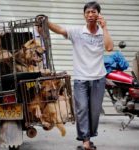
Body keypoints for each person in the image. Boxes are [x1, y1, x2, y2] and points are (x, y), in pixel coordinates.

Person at [39, 1, 113, 150]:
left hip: (98, 78)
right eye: (88, 12)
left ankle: (90, 136)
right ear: (84, 15)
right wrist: (46, 22)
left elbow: (109, 47)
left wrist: (105, 28)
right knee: (82, 109)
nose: (91, 15)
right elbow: (60, 29)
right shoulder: (77, 32)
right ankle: (85, 140)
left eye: (94, 12)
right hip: (81, 79)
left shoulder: (102, 33)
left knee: (94, 111)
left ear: (99, 14)